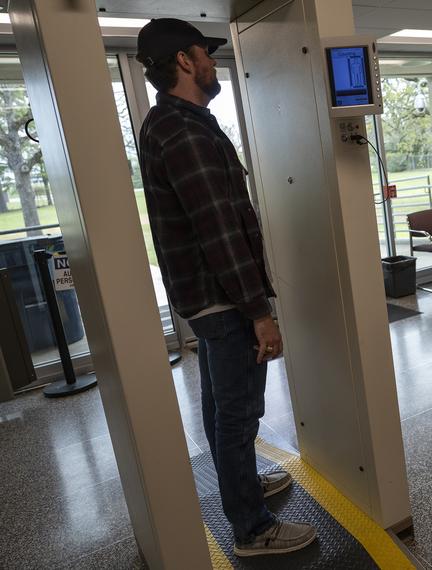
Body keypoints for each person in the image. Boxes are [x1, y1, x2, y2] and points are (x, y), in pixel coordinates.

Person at [135, 18, 316, 557]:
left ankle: (240, 490)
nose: (214, 63)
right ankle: (253, 529)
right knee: (239, 415)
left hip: (209, 298)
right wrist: (259, 312)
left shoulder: (175, 122)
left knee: (220, 409)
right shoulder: (184, 132)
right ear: (184, 62)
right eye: (205, 54)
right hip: (225, 299)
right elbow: (219, 229)